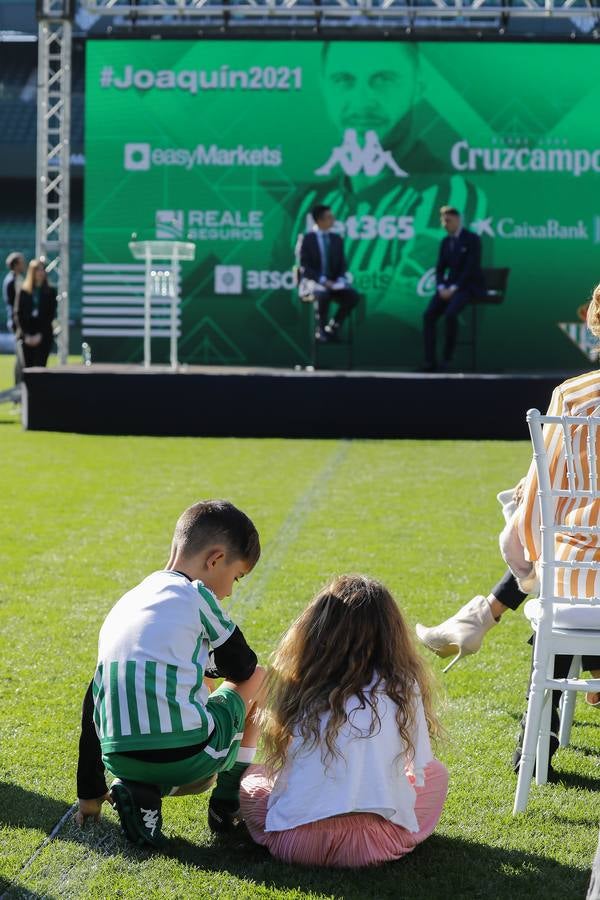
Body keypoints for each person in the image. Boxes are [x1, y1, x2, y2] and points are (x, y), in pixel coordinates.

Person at [75, 499, 266, 848]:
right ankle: (228, 805)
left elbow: (94, 699)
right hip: (186, 758)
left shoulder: (126, 602)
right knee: (260, 680)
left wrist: (89, 791)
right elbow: (244, 666)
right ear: (215, 559)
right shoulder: (196, 596)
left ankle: (141, 794)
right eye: (235, 577)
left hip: (120, 758)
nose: (229, 591)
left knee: (196, 678)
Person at [239, 574, 448, 868]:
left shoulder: (301, 683)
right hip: (374, 844)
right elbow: (418, 764)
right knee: (437, 774)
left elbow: (289, 764)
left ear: (317, 631)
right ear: (392, 635)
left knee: (253, 780)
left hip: (297, 842)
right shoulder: (403, 685)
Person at [422, 206, 485, 372]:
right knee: (428, 315)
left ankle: (447, 358)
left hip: (466, 288)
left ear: (457, 220)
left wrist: (454, 288)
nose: (444, 224)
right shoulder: (445, 242)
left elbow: (470, 268)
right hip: (446, 289)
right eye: (442, 220)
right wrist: (442, 286)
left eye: (447, 220)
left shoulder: (472, 239)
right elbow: (440, 268)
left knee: (450, 314)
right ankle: (430, 361)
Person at [299, 203, 360, 343]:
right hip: (313, 284)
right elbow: (305, 268)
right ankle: (320, 330)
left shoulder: (336, 239)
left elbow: (342, 265)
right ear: (319, 220)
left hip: (334, 284)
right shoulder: (307, 239)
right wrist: (323, 280)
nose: (333, 220)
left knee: (353, 296)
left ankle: (333, 326)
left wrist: (339, 280)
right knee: (322, 294)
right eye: (329, 217)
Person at [13, 258, 57, 369]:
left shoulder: (51, 291)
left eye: (42, 270)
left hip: (43, 336)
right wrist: (26, 334)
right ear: (32, 272)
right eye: (38, 270)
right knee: (27, 369)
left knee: (40, 368)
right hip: (26, 336)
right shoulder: (23, 291)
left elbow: (50, 315)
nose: (41, 273)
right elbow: (18, 313)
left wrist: (39, 335)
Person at [2, 251, 25, 333]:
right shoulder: (12, 281)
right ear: (15, 265)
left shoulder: (17, 278)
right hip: (17, 321)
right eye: (21, 263)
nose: (24, 265)